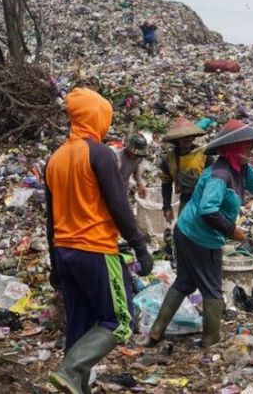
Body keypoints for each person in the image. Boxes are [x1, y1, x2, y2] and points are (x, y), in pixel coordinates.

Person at [149, 120, 253, 347]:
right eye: (247, 148)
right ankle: (210, 338)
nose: (250, 152)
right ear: (233, 148)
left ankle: (156, 330)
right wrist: (232, 230)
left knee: (185, 281)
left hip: (187, 230)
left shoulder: (240, 170)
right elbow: (208, 210)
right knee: (212, 289)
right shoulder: (221, 175)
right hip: (199, 236)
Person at [46, 88, 154, 394]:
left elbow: (50, 220)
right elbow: (118, 203)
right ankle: (68, 371)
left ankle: (71, 386)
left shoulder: (55, 159)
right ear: (97, 117)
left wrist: (55, 264)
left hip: (66, 252)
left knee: (79, 325)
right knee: (120, 320)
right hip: (95, 249)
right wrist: (139, 246)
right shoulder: (100, 153)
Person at [158, 117, 214, 264]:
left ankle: (204, 261)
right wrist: (166, 206)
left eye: (190, 136)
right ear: (177, 139)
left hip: (204, 198)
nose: (187, 140)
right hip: (186, 198)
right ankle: (186, 262)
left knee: (204, 231)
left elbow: (214, 180)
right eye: (184, 137)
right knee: (182, 231)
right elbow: (166, 183)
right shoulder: (169, 159)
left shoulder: (204, 154)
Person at [117, 132, 149, 198]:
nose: (137, 157)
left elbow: (136, 167)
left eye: (138, 155)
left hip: (124, 187)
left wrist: (140, 185)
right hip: (114, 187)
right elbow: (110, 179)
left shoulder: (138, 157)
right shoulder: (118, 158)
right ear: (128, 148)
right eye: (135, 154)